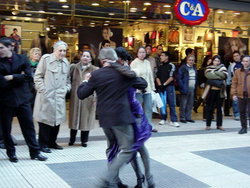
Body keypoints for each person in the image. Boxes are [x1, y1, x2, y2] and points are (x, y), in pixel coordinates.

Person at [77, 47, 147, 188]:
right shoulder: (122, 73)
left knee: (112, 149)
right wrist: (130, 74)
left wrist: (85, 81)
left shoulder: (96, 75)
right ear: (114, 59)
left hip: (105, 119)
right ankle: (107, 179)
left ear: (102, 60)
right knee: (128, 149)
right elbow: (142, 84)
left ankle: (114, 182)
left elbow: (82, 94)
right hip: (121, 118)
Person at [111, 47, 155, 188]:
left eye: (115, 58)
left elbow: (143, 83)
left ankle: (148, 179)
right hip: (124, 116)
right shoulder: (117, 73)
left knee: (138, 147)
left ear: (121, 60)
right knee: (131, 149)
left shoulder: (128, 73)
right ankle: (142, 180)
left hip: (133, 114)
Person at [0, 37, 47, 162]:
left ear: (11, 46)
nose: (0, 50)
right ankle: (11, 153)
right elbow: (1, 82)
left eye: (1, 48)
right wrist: (18, 76)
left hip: (23, 99)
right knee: (6, 128)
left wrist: (11, 77)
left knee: (29, 127)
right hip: (5, 100)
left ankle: (35, 152)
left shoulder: (22, 58)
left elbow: (28, 77)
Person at [33, 40, 71, 153]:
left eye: (64, 50)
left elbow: (68, 80)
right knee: (45, 121)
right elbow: (38, 76)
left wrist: (66, 89)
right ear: (54, 50)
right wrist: (43, 90)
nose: (63, 53)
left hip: (59, 96)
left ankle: (52, 142)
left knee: (57, 120)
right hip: (46, 96)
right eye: (60, 50)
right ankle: (43, 144)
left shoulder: (66, 62)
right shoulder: (46, 59)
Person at [68, 51, 98, 147]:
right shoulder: (74, 67)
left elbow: (97, 85)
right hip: (75, 97)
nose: (85, 58)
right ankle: (72, 139)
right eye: (84, 56)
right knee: (74, 118)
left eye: (87, 56)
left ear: (91, 58)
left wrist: (95, 97)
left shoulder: (95, 69)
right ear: (80, 57)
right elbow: (68, 79)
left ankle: (84, 141)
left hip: (88, 97)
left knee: (86, 119)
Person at [130, 47, 157, 132]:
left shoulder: (147, 62)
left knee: (148, 108)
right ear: (137, 53)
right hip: (138, 90)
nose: (142, 54)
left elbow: (150, 76)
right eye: (140, 52)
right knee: (138, 109)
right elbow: (133, 77)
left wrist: (153, 87)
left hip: (147, 89)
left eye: (143, 52)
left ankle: (149, 125)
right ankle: (138, 126)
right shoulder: (134, 63)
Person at [156, 51, 179, 127]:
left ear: (167, 57)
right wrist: (160, 85)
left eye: (162, 55)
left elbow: (172, 77)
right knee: (162, 104)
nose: (160, 57)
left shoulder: (171, 65)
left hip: (169, 87)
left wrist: (164, 84)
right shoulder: (159, 66)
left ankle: (173, 120)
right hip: (161, 87)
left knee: (172, 103)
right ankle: (163, 118)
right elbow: (157, 76)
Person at [205, 55, 228, 130]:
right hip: (211, 91)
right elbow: (208, 75)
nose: (216, 62)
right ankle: (208, 125)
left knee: (219, 108)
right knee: (210, 108)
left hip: (220, 91)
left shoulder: (223, 68)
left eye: (218, 61)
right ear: (213, 61)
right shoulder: (208, 68)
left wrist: (214, 73)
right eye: (215, 61)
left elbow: (224, 75)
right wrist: (218, 75)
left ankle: (219, 125)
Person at [231, 55, 250, 134]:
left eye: (247, 61)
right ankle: (244, 127)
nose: (245, 63)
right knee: (242, 112)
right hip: (241, 94)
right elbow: (234, 83)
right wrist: (234, 94)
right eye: (244, 61)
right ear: (241, 62)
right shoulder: (237, 71)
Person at [178, 54, 197, 123]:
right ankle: (182, 117)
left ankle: (188, 117)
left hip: (192, 88)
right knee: (183, 104)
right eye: (189, 60)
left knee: (190, 104)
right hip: (185, 88)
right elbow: (179, 79)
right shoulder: (183, 68)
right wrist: (182, 87)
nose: (191, 61)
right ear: (187, 60)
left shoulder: (194, 68)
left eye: (192, 60)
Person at [225, 51, 242, 120]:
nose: (236, 57)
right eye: (234, 56)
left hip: (244, 84)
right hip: (235, 84)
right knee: (235, 100)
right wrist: (228, 83)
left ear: (240, 56)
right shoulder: (231, 65)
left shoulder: (244, 63)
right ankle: (237, 114)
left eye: (237, 55)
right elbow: (229, 75)